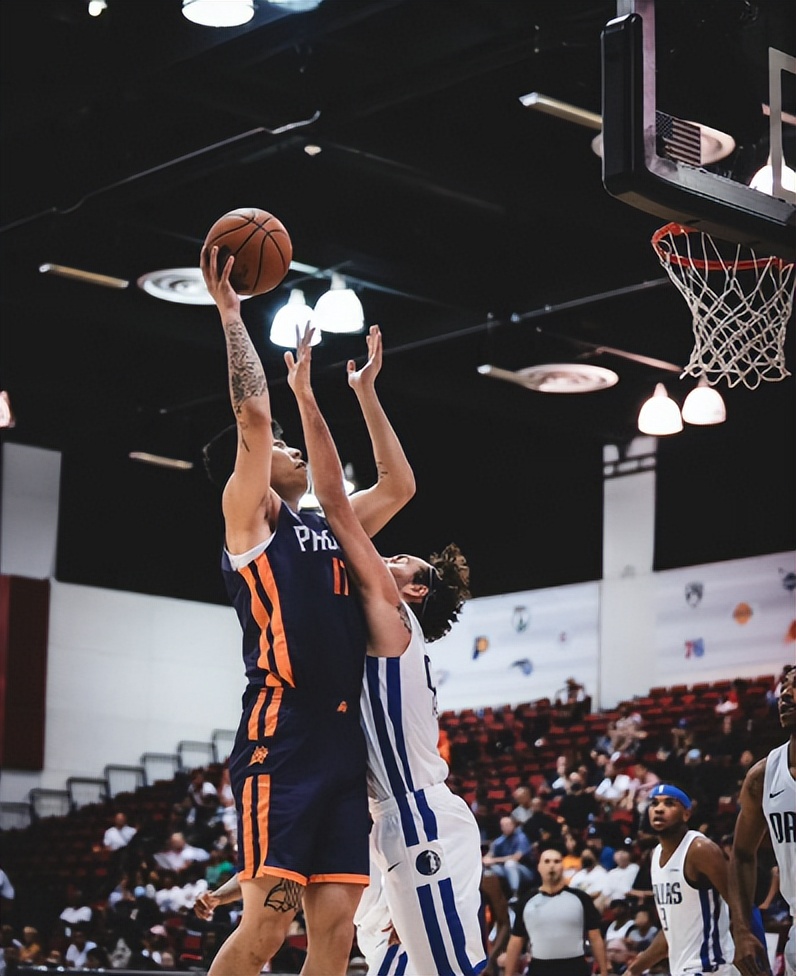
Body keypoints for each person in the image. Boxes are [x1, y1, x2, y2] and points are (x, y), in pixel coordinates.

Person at [198, 248, 414, 976]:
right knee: (264, 932)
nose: (288, 449)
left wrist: (365, 392)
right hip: (281, 734)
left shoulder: (329, 524)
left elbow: (397, 485)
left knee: (335, 933)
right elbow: (256, 418)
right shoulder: (250, 525)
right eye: (279, 451)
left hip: (340, 742)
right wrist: (233, 314)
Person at [284, 325, 486, 972]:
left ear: (416, 592)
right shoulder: (377, 616)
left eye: (401, 558)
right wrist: (365, 390)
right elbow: (393, 489)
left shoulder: (393, 613)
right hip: (392, 818)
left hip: (418, 815)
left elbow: (343, 510)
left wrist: (308, 398)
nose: (388, 555)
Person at [625, 783, 736, 976]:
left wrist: (747, 943)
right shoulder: (656, 855)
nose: (659, 809)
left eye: (669, 803)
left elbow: (739, 903)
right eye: (654, 803)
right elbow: (671, 934)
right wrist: (634, 970)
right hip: (683, 969)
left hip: (711, 966)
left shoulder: (699, 849)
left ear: (686, 814)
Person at [728, 662, 796, 976]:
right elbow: (741, 855)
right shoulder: (763, 776)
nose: (786, 695)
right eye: (784, 688)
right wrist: (742, 929)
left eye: (795, 688)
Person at [501, 846, 609, 976]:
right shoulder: (526, 901)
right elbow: (516, 941)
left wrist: (603, 971)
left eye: (556, 861)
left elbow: (595, 937)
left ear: (562, 866)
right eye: (547, 861)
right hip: (540, 969)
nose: (551, 865)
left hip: (576, 968)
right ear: (539, 867)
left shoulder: (581, 898)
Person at [483, 815, 535, 901]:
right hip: (506, 871)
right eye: (503, 825)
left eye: (508, 824)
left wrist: (494, 860)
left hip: (525, 872)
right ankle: (494, 898)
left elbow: (516, 857)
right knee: (490, 869)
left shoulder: (521, 837)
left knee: (510, 864)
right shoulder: (499, 841)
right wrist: (487, 860)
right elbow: (488, 857)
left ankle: (515, 894)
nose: (506, 827)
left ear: (513, 825)